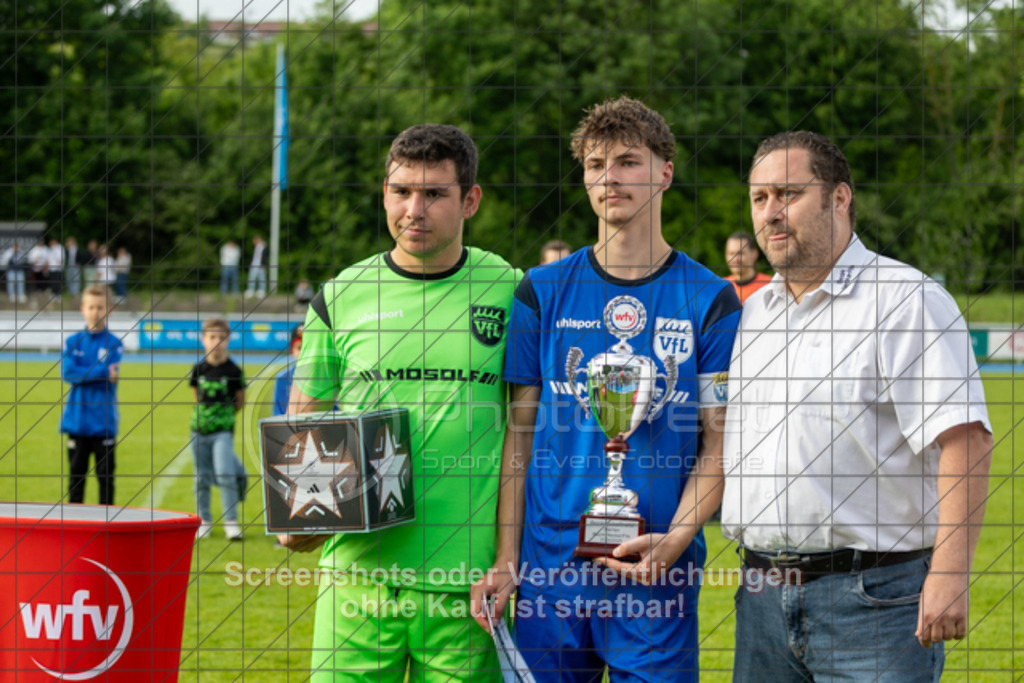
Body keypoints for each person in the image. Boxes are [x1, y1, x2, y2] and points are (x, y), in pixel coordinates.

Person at [472, 97, 741, 682]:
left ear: (665, 171)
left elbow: (721, 443)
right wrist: (508, 557)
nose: (609, 178)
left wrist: (677, 538)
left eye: (627, 161)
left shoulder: (711, 299)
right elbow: (518, 440)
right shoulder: (540, 291)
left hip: (654, 577)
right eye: (596, 165)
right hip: (551, 573)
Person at [721, 131, 993, 681]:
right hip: (760, 599)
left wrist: (950, 573)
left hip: (874, 603)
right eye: (759, 198)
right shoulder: (755, 315)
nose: (771, 213)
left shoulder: (905, 300)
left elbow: (966, 439)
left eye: (788, 194)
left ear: (839, 199)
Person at [283, 123, 520, 681]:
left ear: (470, 201)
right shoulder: (340, 296)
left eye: (434, 193)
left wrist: (507, 558)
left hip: (465, 587)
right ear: (384, 193)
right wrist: (294, 511)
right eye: (401, 191)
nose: (414, 208)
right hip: (357, 580)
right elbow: (305, 421)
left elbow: (525, 437)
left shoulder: (513, 290)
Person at [61, 285, 123, 505]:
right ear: (82, 309)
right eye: (91, 307)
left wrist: (83, 372)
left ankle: (107, 532)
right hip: (77, 421)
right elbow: (68, 373)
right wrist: (103, 371)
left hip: (103, 422)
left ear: (110, 310)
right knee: (75, 480)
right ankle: (74, 532)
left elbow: (77, 373)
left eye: (100, 307)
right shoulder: (71, 342)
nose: (95, 312)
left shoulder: (115, 343)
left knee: (106, 480)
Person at [189, 317, 248, 541]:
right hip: (198, 431)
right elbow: (196, 397)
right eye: (212, 337)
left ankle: (231, 522)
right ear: (203, 339)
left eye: (221, 338)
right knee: (201, 478)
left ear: (228, 340)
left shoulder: (233, 370)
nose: (216, 342)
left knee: (226, 474)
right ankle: (203, 520)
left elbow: (240, 402)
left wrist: (222, 419)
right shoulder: (198, 369)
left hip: (222, 432)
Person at [723, 231, 770, 304]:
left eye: (740, 253)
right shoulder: (722, 287)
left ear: (754, 254)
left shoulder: (769, 285)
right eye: (731, 254)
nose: (735, 259)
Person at [272, 324, 303, 416]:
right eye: (299, 348)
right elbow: (278, 415)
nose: (303, 353)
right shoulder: (282, 378)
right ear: (292, 350)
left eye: (308, 348)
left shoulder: (325, 378)